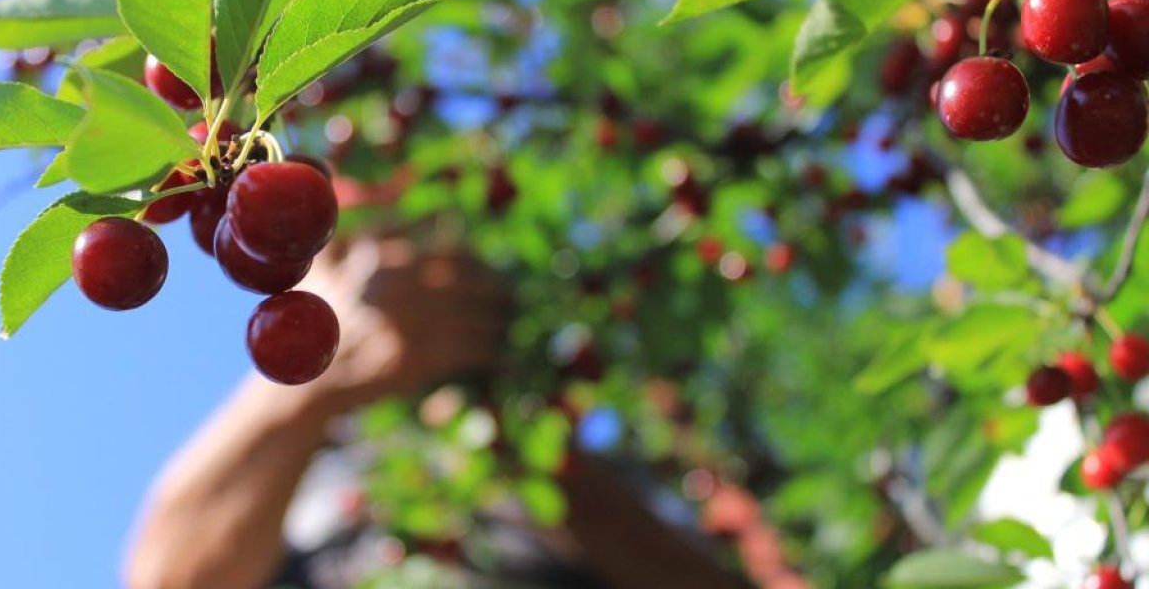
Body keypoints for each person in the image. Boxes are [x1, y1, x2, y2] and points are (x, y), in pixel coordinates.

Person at [123, 235, 753, 589]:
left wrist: (519, 442)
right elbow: (167, 579)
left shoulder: (585, 464)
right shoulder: (309, 474)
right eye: (346, 253)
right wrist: (313, 373)